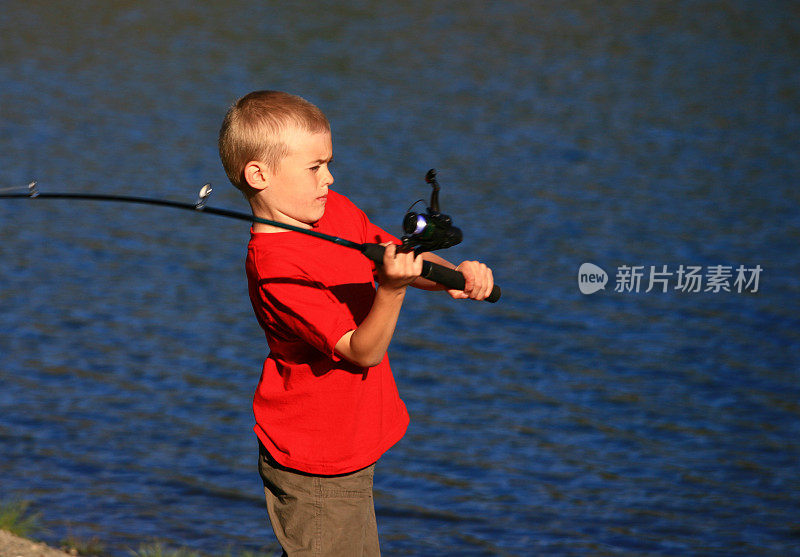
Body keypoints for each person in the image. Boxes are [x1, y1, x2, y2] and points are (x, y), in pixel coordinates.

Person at [218, 90, 494, 556]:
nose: (329, 177)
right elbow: (361, 350)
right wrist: (392, 290)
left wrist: (453, 276)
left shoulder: (333, 210)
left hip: (349, 437)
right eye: (315, 167)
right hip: (315, 460)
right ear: (258, 174)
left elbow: (393, 257)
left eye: (328, 163)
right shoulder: (275, 269)